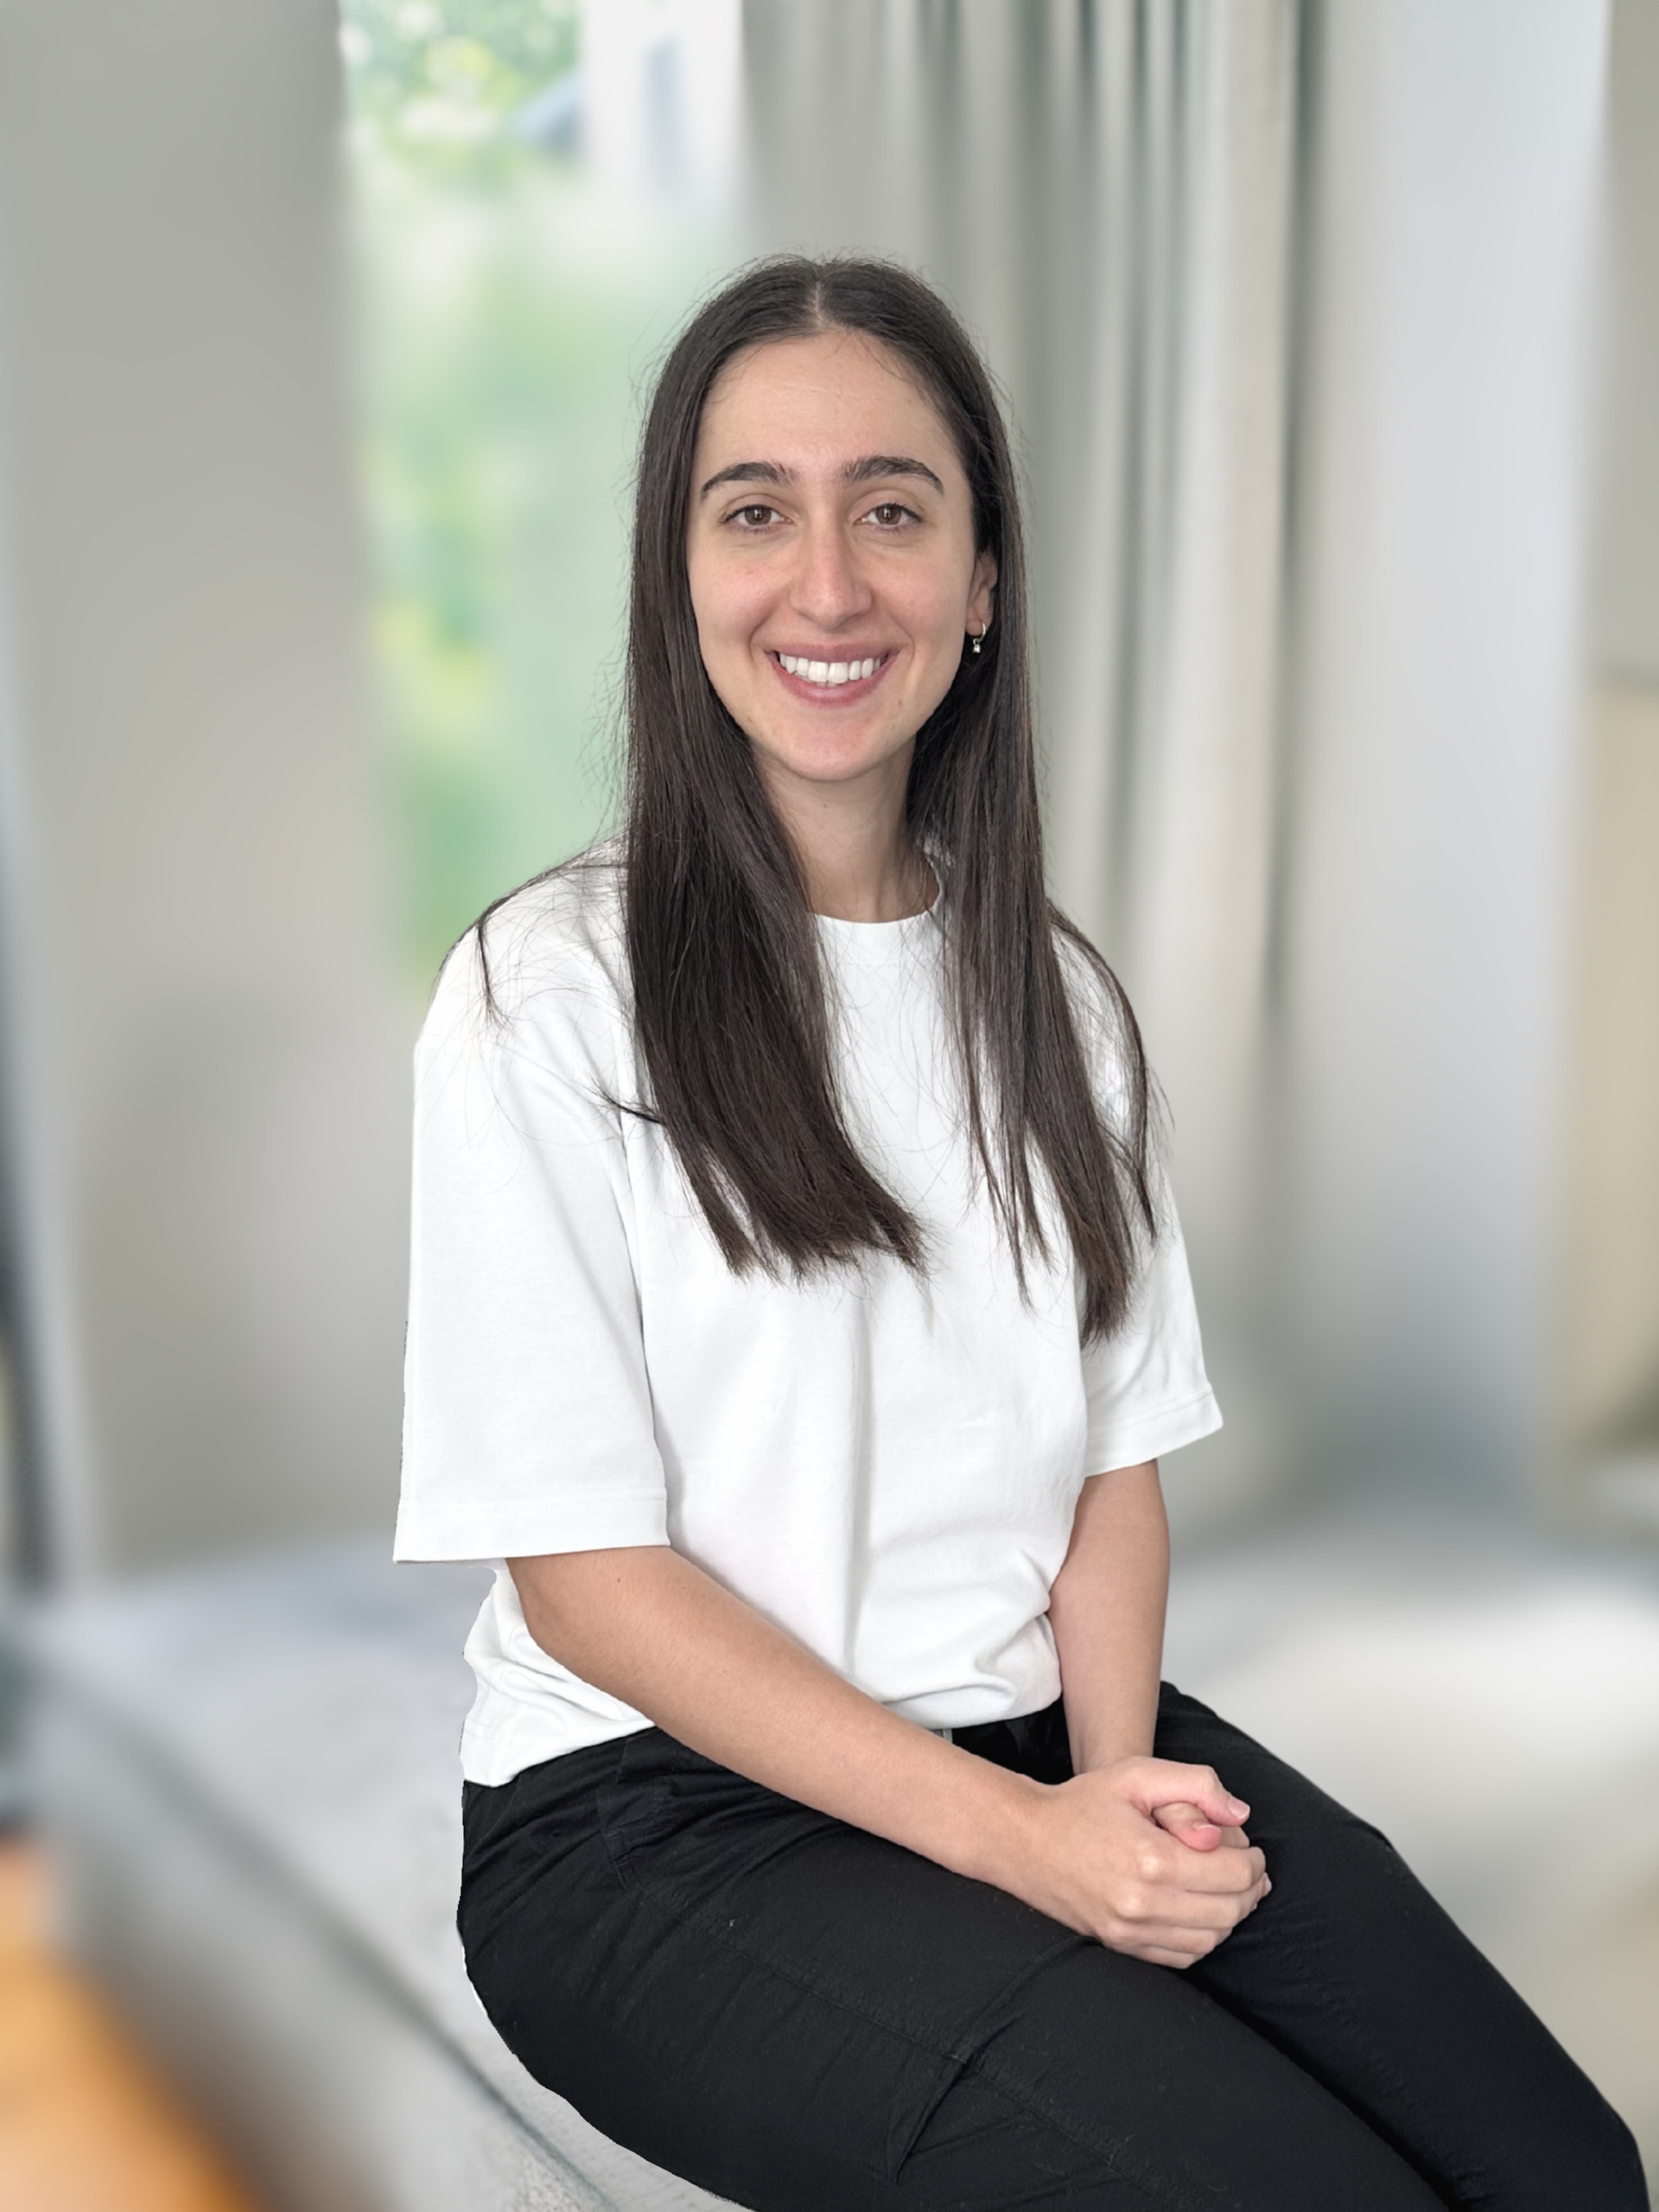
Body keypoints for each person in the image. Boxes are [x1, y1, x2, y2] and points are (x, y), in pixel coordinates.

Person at [395, 257, 1646, 2211]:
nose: (828, 583)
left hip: (1037, 1729)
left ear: (982, 582)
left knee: (1570, 2172)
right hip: (652, 1825)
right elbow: (585, 1583)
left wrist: (1108, 1788)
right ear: (678, 577)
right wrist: (1031, 1852)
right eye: (756, 512)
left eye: (893, 509)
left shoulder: (1055, 1002)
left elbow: (1109, 1479)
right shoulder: (545, 996)